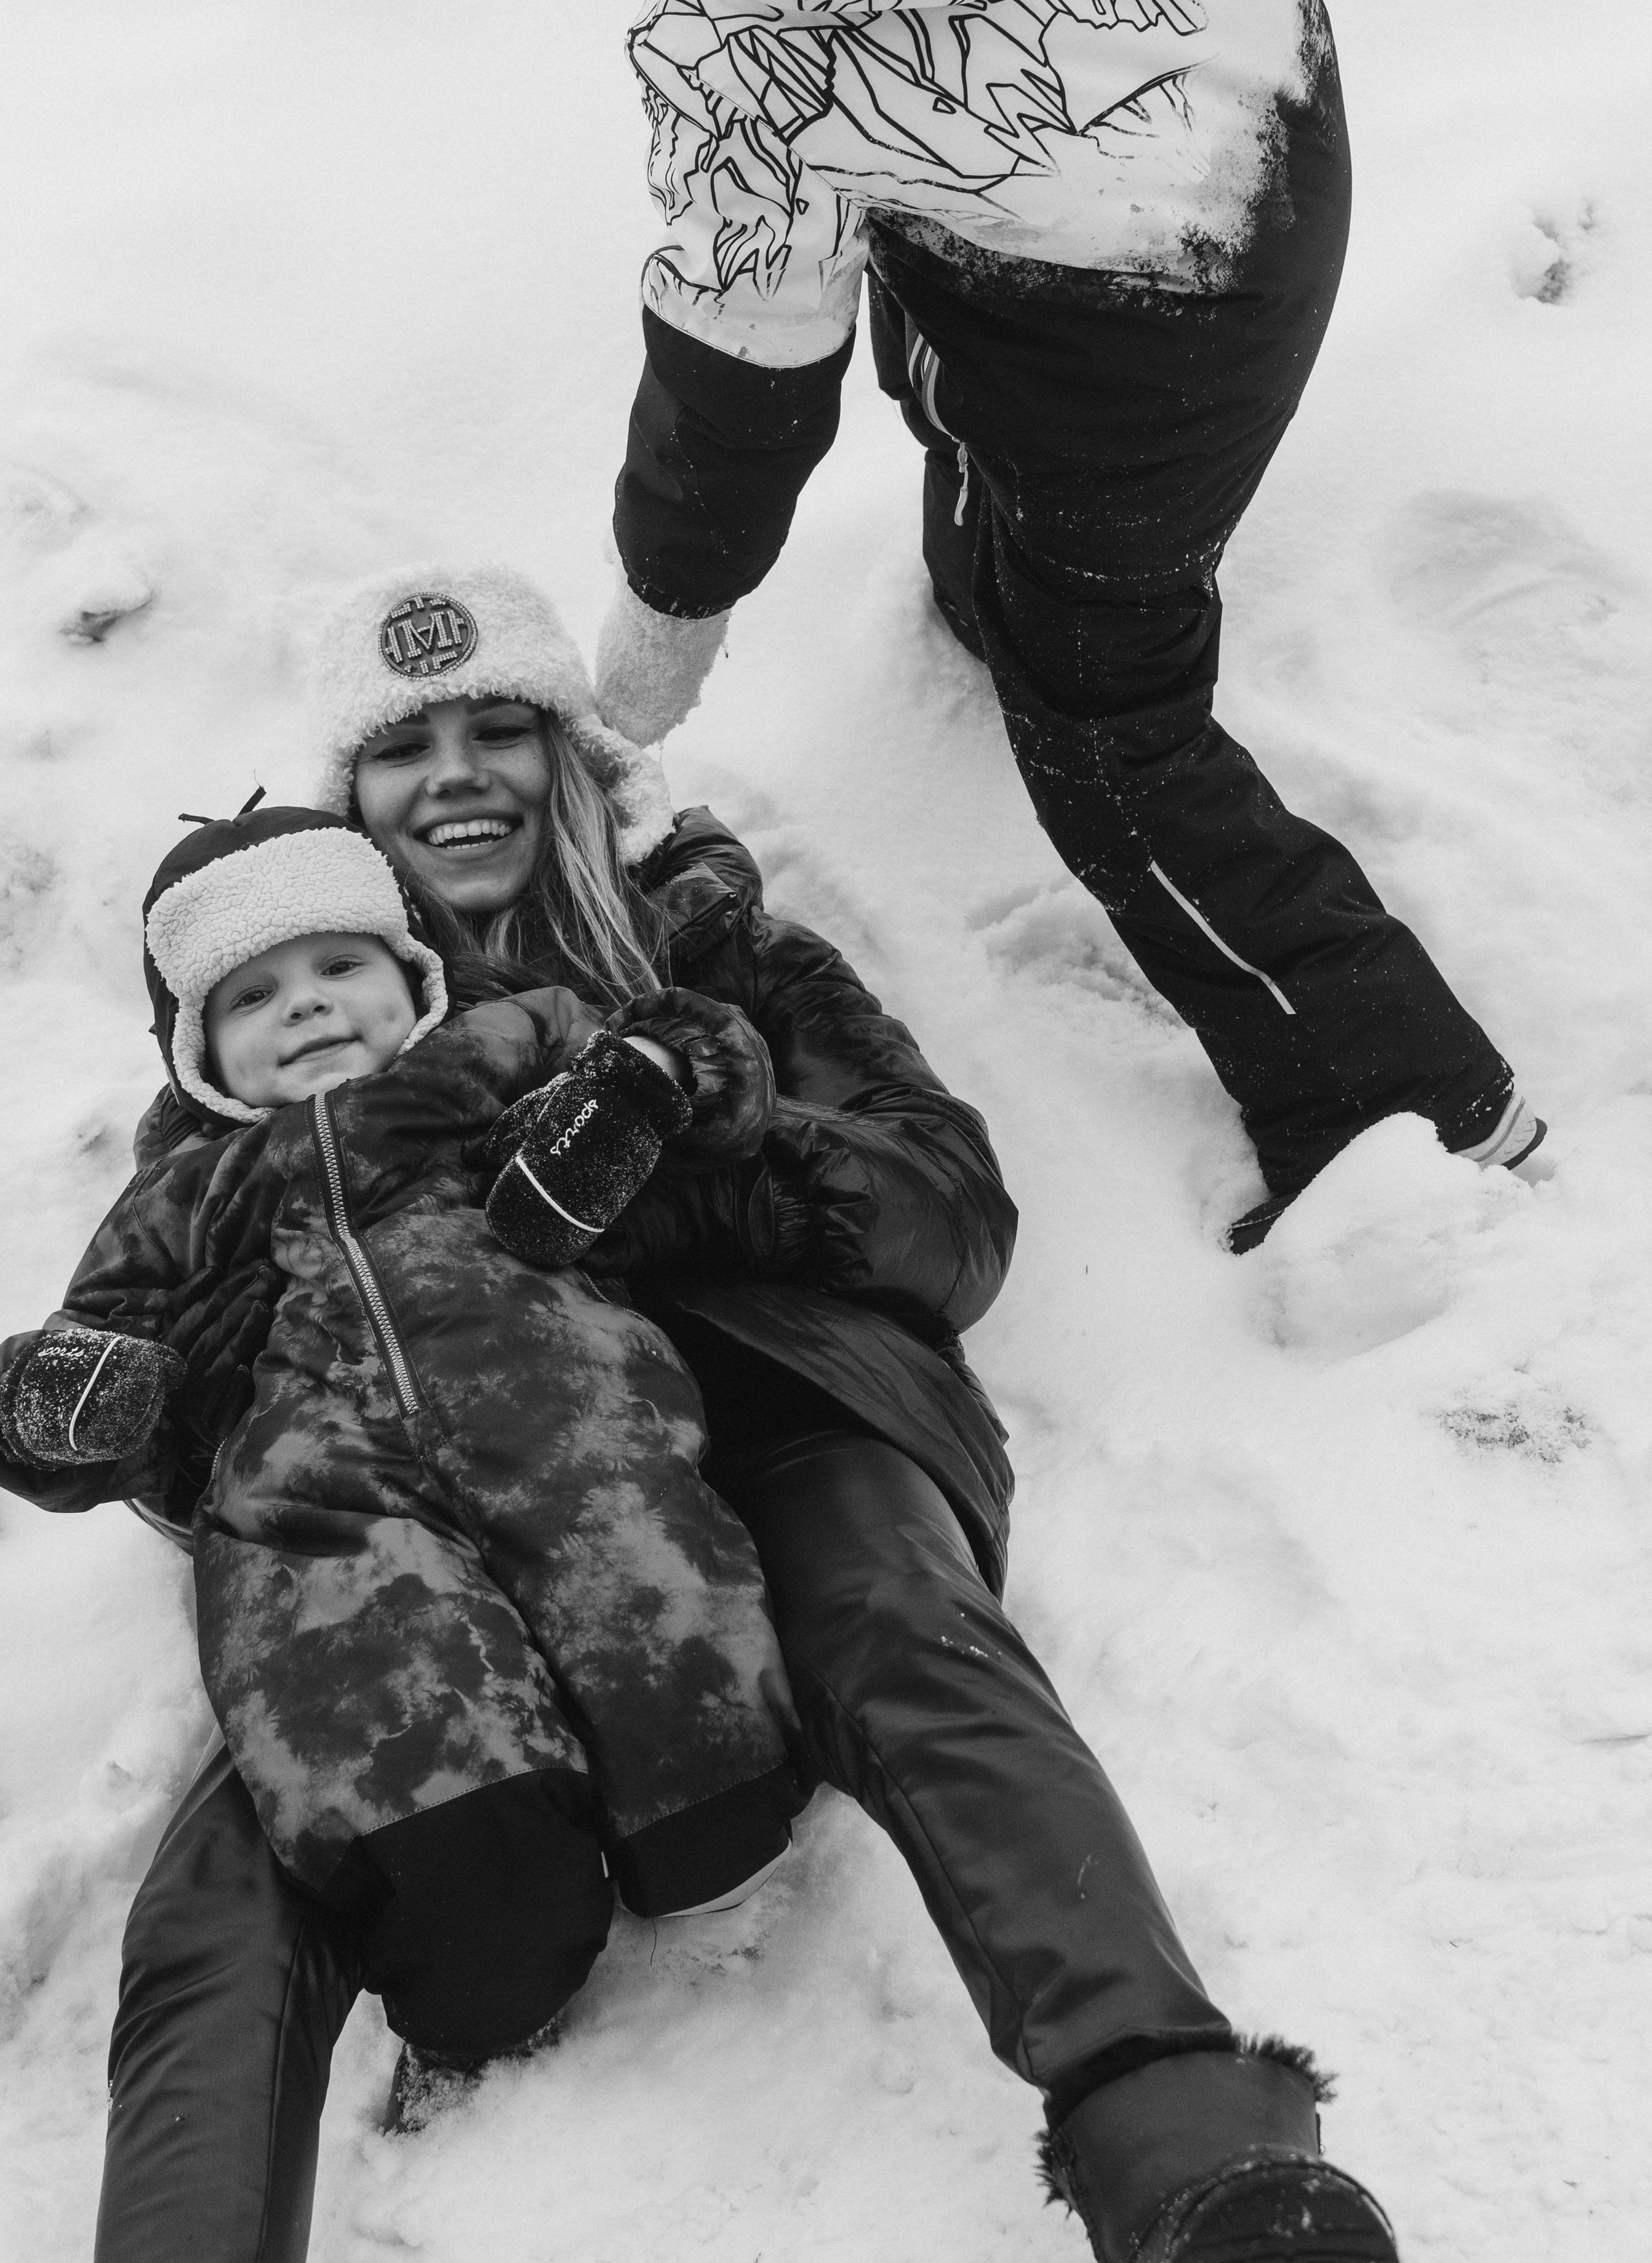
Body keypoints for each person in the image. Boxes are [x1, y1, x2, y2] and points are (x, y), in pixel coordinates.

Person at [12, 562, 1405, 2263]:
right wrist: (202, 1372)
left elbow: (949, 1214)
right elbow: (156, 1393)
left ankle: (1184, 2143)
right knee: (232, 1866)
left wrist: (649, 1177)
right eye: (402, 749)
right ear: (350, 806)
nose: (453, 773)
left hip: (771, 1410)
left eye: (495, 728)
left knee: (902, 1629)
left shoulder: (714, 951)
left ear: (568, 751)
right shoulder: (264, 1046)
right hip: (418, 1523)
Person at [581, 0, 1652, 1248]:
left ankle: (1397, 1101)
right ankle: (989, 584)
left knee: (1106, 724)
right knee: (932, 311)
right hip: (1270, 188)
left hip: (1115, 337)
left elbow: (742, 356)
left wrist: (663, 623)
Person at [0, 798, 811, 2103]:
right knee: (360, 1665)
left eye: (339, 966)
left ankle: (701, 1806)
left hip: (559, 1394)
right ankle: (477, 1911)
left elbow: (705, 1055)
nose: (308, 1006)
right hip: (318, 1482)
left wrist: (637, 1093)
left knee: (652, 1607)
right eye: (254, 994)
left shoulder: (510, 1039)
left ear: (412, 969)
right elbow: (107, 1340)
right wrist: (69, 1401)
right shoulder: (185, 1191)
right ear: (199, 1052)